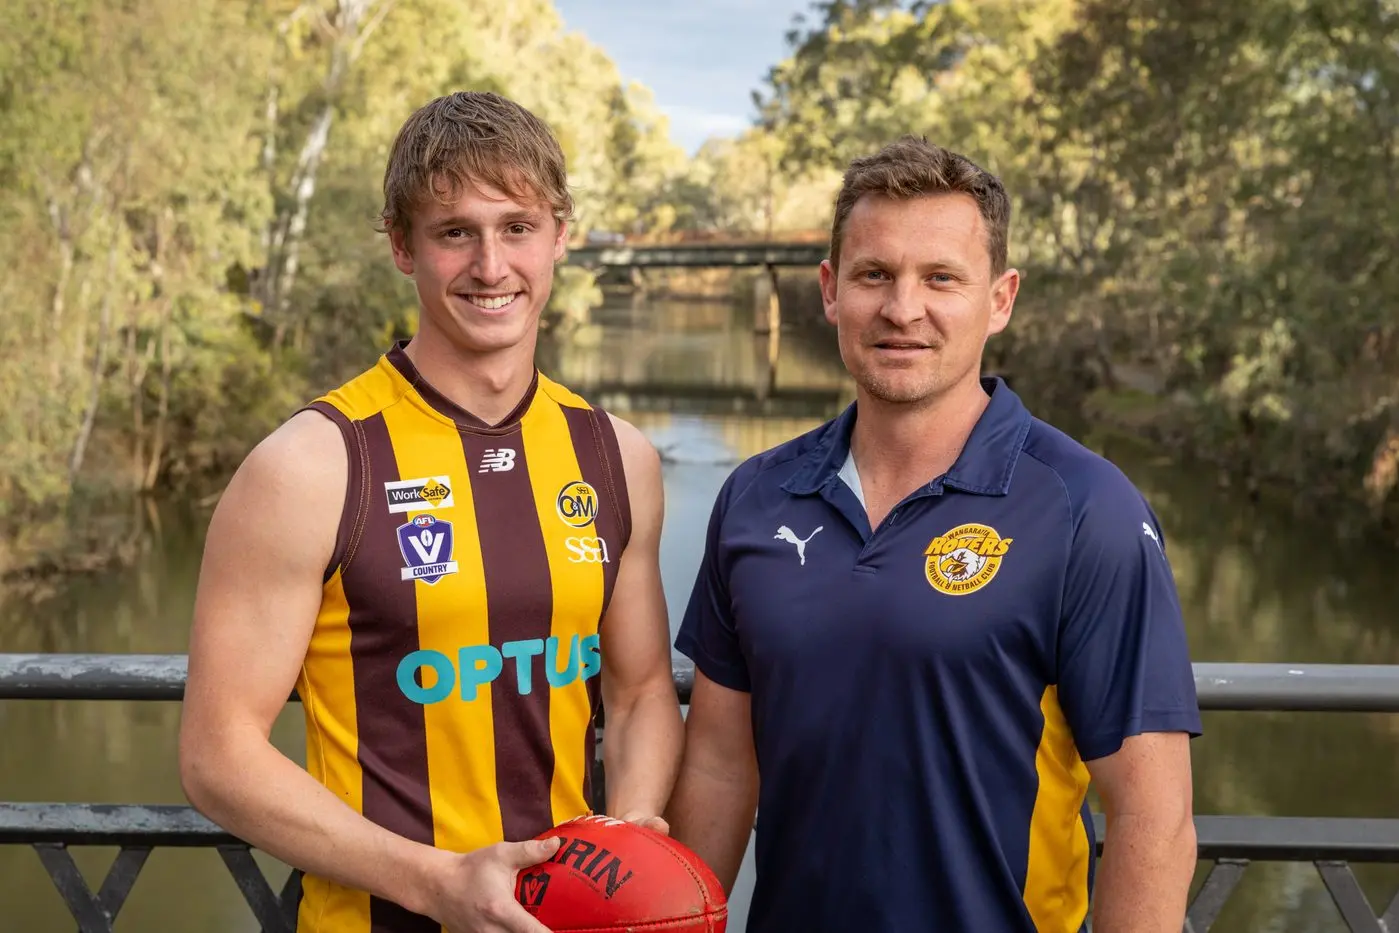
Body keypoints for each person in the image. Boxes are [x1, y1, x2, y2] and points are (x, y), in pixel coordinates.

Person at [665, 136, 1202, 932]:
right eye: (874, 274)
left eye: (940, 278)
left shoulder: (1086, 509)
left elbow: (1153, 822)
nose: (901, 309)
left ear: (1000, 299)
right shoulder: (754, 495)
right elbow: (716, 764)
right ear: (829, 289)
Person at [179, 91, 684, 933]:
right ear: (402, 246)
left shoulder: (615, 458)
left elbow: (636, 694)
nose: (491, 266)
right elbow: (216, 756)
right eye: (456, 232)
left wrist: (621, 842)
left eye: (517, 226)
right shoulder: (313, 463)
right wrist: (435, 882)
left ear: (560, 234)